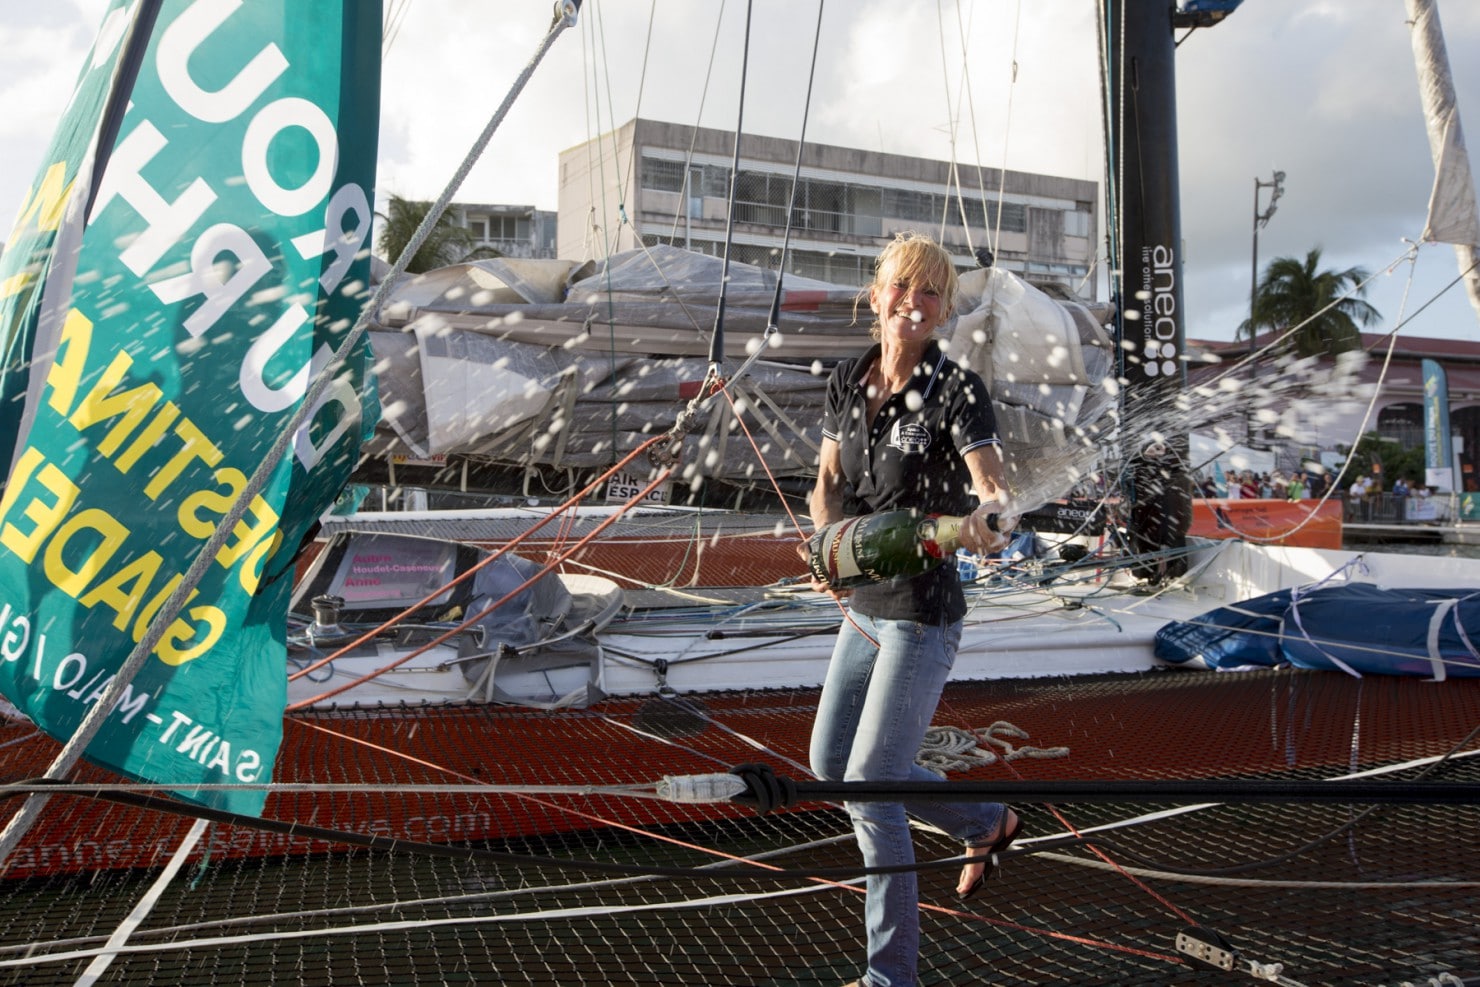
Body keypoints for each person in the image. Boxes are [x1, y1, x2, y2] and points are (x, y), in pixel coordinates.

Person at [803, 232, 1020, 987]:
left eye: (930, 292)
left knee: (872, 783)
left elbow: (989, 483)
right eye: (902, 286)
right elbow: (828, 483)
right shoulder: (847, 379)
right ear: (876, 296)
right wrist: (826, 547)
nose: (913, 302)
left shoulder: (958, 390)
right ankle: (983, 821)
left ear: (944, 308)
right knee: (831, 765)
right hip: (862, 604)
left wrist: (993, 517)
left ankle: (891, 976)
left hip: (923, 611)